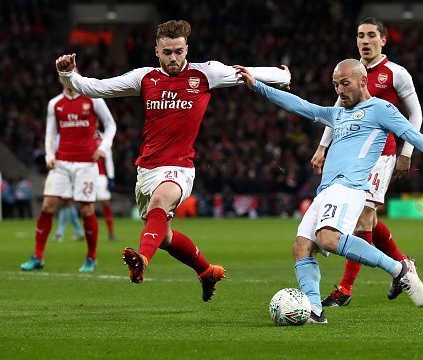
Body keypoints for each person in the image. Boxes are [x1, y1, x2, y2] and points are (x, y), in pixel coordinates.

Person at [55, 20, 290, 302]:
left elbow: (244, 72)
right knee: (162, 236)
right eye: (167, 52)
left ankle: (141, 259)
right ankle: (207, 271)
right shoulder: (144, 78)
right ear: (156, 50)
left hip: (180, 168)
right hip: (147, 169)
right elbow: (98, 88)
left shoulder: (205, 73)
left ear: (186, 48)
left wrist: (281, 76)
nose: (174, 58)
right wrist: (68, 74)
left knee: (159, 204)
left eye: (178, 51)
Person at [235, 60, 423, 323]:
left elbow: (416, 136)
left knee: (328, 238)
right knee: (302, 247)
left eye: (345, 83)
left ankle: (400, 269)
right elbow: (301, 106)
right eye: (336, 84)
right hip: (326, 189)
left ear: (363, 81)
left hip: (350, 186)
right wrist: (258, 86)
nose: (339, 90)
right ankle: (316, 311)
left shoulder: (381, 109)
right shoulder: (337, 114)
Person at [310, 16, 423, 307]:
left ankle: (346, 289)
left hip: (382, 154)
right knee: (368, 218)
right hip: (350, 157)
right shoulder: (348, 71)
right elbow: (334, 113)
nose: (365, 40)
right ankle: (402, 265)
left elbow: (416, 114)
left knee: (362, 219)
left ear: (383, 40)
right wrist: (323, 147)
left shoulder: (396, 73)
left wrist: (406, 152)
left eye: (372, 35)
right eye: (360, 35)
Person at [20, 75, 116, 273]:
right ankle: (38, 256)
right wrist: (49, 155)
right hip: (61, 162)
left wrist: (104, 147)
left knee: (87, 210)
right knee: (48, 204)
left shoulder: (93, 99)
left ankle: (91, 258)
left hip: (87, 163)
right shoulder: (55, 104)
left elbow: (110, 124)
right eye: (64, 77)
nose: (69, 80)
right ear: (60, 80)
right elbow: (50, 133)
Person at [94, 132, 117, 241]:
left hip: (100, 176)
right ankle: (88, 232)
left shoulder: (103, 137)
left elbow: (108, 159)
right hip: (85, 174)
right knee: (86, 205)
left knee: (105, 203)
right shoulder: (82, 132)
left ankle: (111, 232)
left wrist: (110, 177)